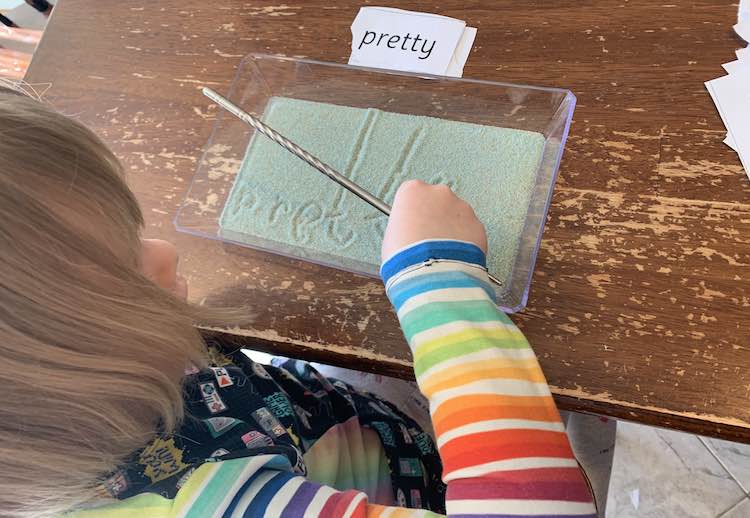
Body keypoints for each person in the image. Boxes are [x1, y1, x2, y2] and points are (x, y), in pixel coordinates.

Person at [0, 81, 598, 518]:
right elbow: (541, 509)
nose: (165, 252)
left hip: (327, 424)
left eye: (133, 233)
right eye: (129, 266)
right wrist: (437, 281)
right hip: (424, 486)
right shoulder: (212, 506)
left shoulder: (54, 406)